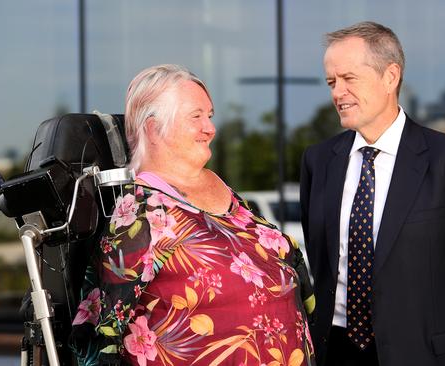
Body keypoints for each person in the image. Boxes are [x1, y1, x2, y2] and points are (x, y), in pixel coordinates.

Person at [70, 64, 315, 366]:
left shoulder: (224, 191)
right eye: (195, 116)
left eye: (209, 116)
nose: (209, 128)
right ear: (153, 129)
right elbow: (101, 335)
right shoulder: (142, 213)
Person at [300, 22, 445, 366]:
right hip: (335, 350)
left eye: (349, 78)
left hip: (423, 353)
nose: (338, 93)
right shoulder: (318, 161)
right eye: (332, 82)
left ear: (390, 76)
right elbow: (321, 258)